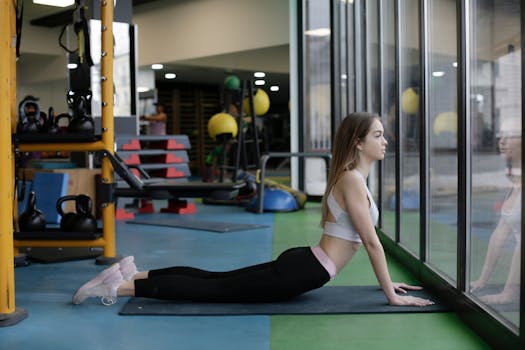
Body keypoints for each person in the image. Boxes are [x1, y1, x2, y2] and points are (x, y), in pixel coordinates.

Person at [73, 112, 434, 307]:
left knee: (216, 280)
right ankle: (119, 288)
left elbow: (358, 240)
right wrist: (390, 295)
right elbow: (370, 243)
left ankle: (137, 274)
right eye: (378, 135)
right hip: (305, 270)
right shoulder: (352, 179)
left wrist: (390, 283)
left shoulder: (353, 177)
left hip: (307, 263)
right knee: (214, 290)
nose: (385, 141)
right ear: (358, 143)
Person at [470, 118, 521, 304]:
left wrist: (509, 293)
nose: (502, 141)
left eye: (510, 136)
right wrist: (483, 280)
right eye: (501, 135)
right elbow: (500, 234)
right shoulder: (515, 180)